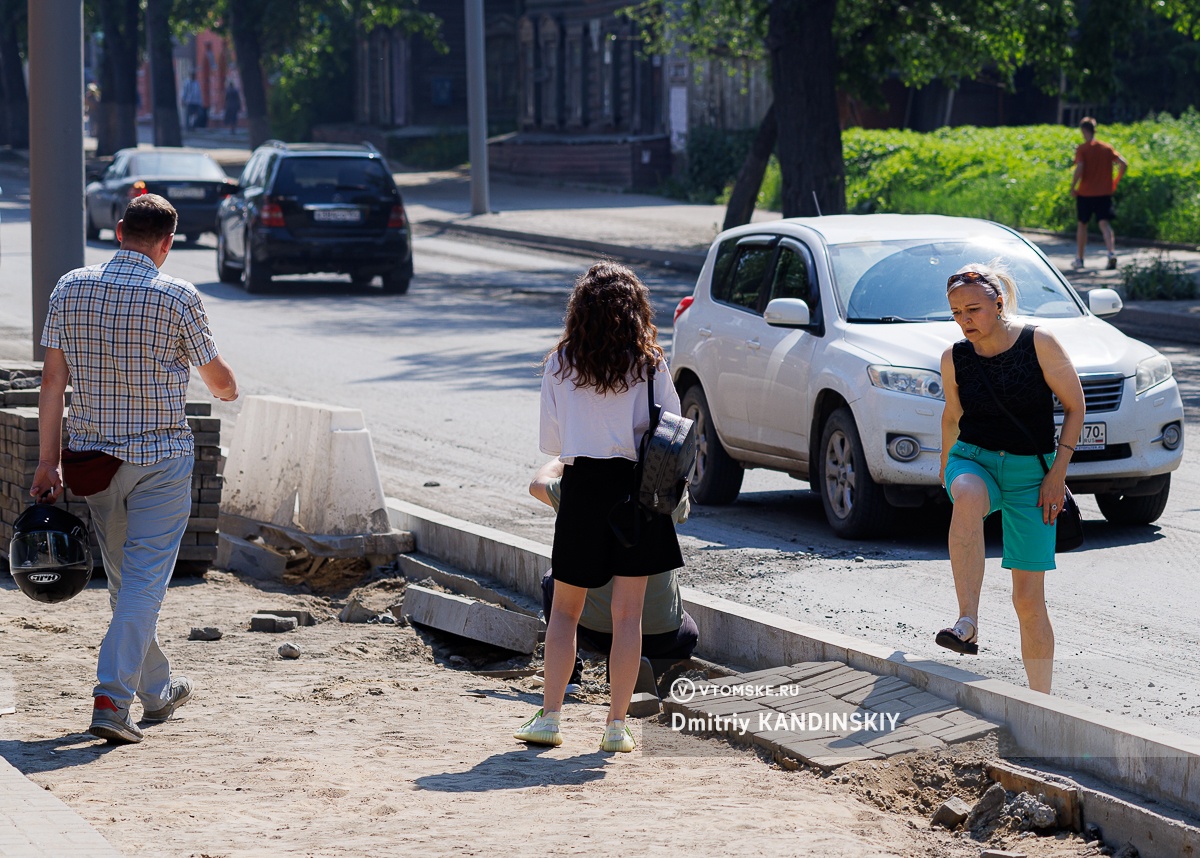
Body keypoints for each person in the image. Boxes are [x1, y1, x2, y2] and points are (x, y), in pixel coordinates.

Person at [31, 194, 239, 744]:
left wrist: (47, 461)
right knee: (144, 584)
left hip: (93, 463)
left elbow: (53, 383)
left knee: (126, 584)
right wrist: (227, 385)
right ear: (166, 244)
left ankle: (156, 690)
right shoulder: (178, 297)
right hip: (160, 462)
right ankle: (111, 698)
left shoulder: (70, 287)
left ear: (120, 231)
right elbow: (219, 381)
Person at [514, 262, 684, 753]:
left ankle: (549, 718)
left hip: (584, 487)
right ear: (635, 310)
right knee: (627, 617)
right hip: (638, 494)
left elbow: (553, 442)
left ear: (579, 310)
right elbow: (673, 426)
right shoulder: (650, 362)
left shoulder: (560, 363)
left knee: (565, 613)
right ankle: (616, 726)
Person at [935, 261, 1084, 694]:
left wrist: (1057, 475)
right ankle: (967, 622)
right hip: (974, 460)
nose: (965, 321)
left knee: (1028, 600)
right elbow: (952, 416)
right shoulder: (955, 357)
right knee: (965, 494)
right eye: (957, 313)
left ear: (998, 303)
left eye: (974, 310)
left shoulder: (1039, 342)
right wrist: (947, 470)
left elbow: (1075, 407)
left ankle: (1042, 701)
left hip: (1031, 476)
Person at [529, 459, 698, 694]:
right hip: (662, 635)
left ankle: (570, 676)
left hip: (594, 631)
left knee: (554, 580)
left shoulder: (582, 485)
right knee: (687, 630)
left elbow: (537, 484)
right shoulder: (668, 487)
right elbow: (683, 513)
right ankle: (639, 666)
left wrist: (565, 456)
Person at [1070, 117, 1127, 271]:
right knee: (1104, 224)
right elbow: (1124, 164)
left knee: (1082, 224)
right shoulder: (1106, 148)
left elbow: (1080, 167)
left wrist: (1073, 186)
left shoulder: (1083, 148)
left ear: (1083, 130)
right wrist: (1115, 182)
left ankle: (1080, 259)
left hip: (1086, 193)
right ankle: (1111, 253)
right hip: (1104, 193)